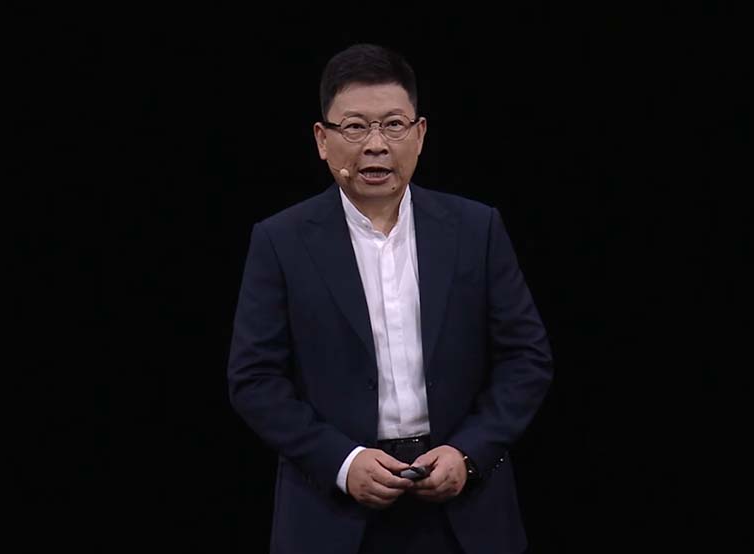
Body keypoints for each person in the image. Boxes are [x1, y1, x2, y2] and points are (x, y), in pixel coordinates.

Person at [227, 43, 553, 554]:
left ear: (420, 135)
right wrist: (342, 462)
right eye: (355, 127)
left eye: (394, 125)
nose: (376, 145)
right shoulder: (280, 241)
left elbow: (526, 358)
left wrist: (469, 453)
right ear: (322, 139)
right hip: (332, 511)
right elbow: (254, 378)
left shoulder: (476, 229)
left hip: (463, 506)